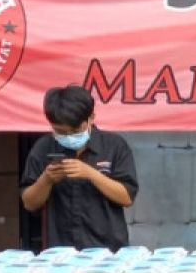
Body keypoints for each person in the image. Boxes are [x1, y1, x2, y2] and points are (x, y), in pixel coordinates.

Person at [20, 85, 138, 250]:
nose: (68, 137)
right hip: (60, 251)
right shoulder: (43, 148)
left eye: (75, 131)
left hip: (108, 251)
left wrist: (92, 174)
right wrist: (46, 180)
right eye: (60, 131)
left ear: (91, 118)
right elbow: (29, 203)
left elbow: (126, 197)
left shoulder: (114, 146)